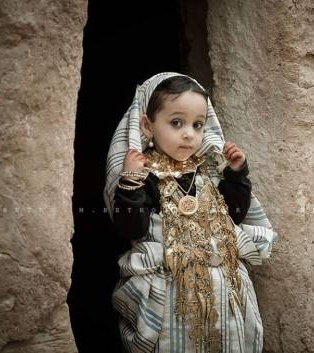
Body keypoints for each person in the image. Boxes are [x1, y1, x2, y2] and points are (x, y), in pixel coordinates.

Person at [103, 72, 276, 353]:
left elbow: (235, 213)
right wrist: (131, 182)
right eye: (176, 123)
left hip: (225, 291)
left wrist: (236, 174)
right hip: (172, 294)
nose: (189, 134)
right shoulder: (144, 176)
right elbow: (132, 228)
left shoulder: (208, 168)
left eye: (198, 125)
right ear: (147, 125)